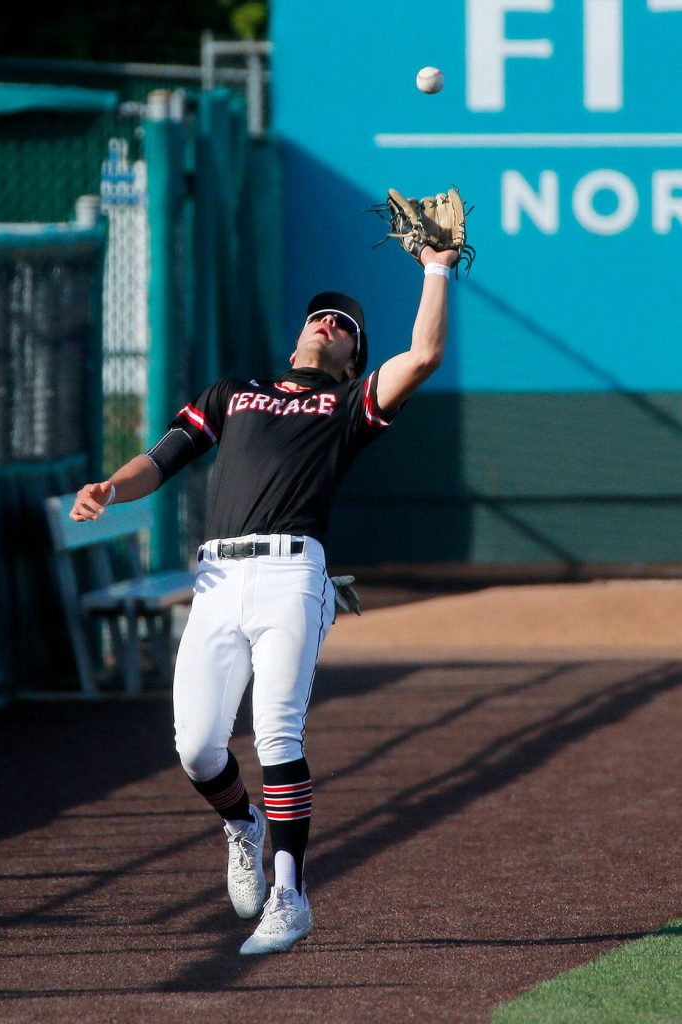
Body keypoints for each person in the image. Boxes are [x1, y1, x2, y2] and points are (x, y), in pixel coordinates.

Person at [69, 243, 457, 954]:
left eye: (343, 326)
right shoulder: (232, 393)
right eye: (320, 318)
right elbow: (163, 458)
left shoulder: (348, 404)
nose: (327, 326)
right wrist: (111, 488)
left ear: (352, 358)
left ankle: (290, 895)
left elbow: (424, 355)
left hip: (292, 575)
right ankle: (242, 825)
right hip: (215, 581)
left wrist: (435, 267)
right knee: (195, 750)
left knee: (278, 734)